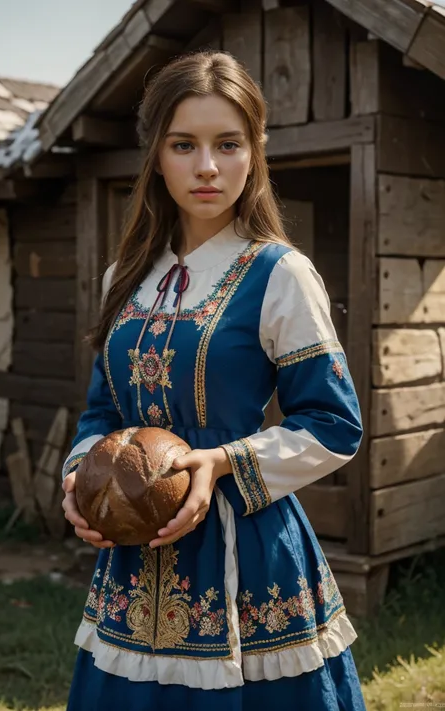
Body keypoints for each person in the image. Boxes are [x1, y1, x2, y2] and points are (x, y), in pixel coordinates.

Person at [61, 50, 367, 711]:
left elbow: (335, 424)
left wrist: (221, 461)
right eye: (184, 144)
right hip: (133, 565)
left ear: (254, 152)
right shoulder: (125, 278)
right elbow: (100, 415)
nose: (206, 166)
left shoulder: (279, 274)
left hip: (250, 560)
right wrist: (80, 482)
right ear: (157, 156)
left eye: (228, 144)